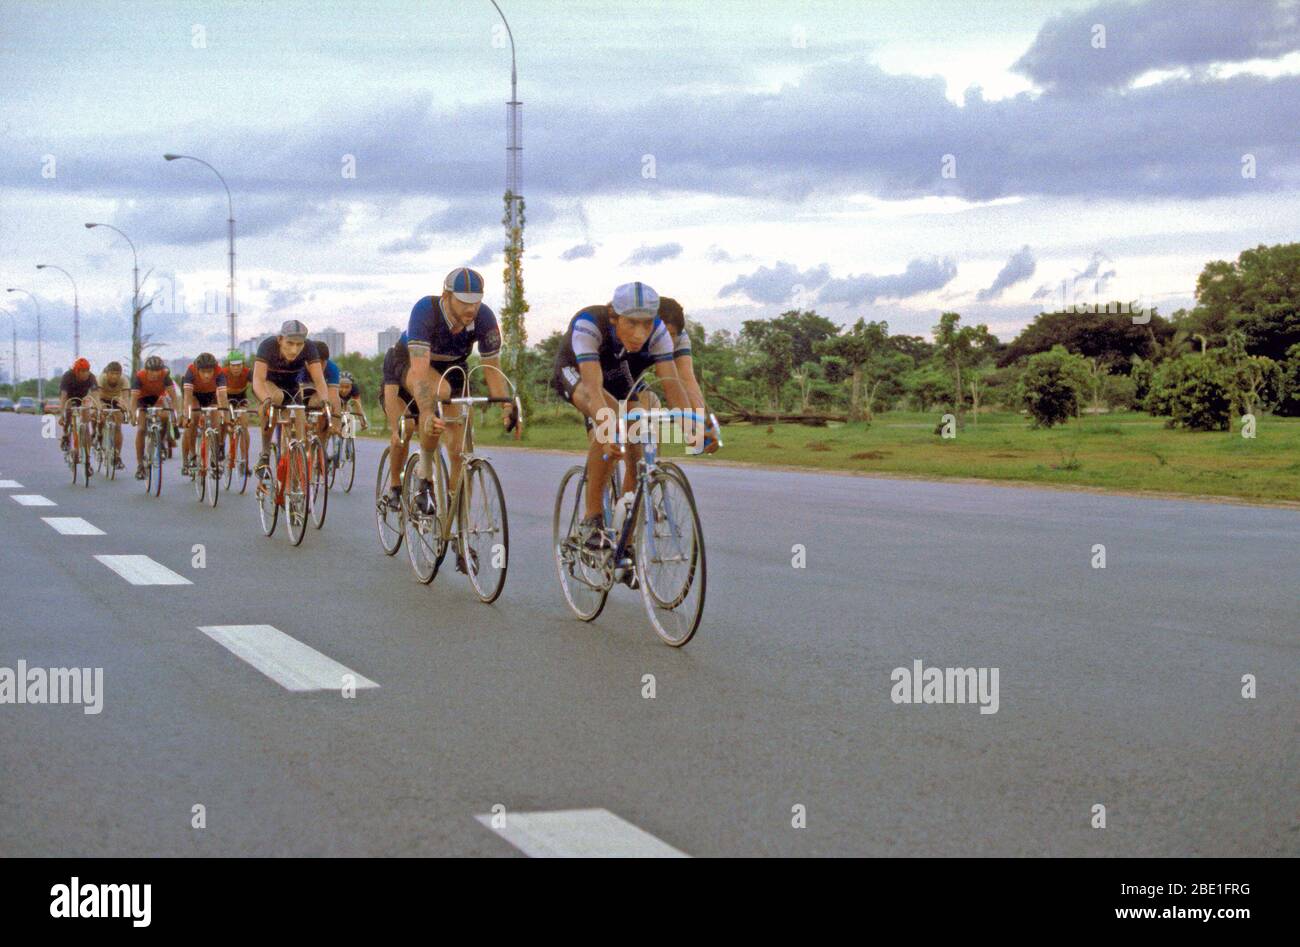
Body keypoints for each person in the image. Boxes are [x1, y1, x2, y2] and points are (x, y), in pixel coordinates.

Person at [551, 281, 701, 551]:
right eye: (631, 323)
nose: (639, 333)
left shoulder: (659, 333)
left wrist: (695, 427)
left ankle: (625, 540)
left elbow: (673, 384)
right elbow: (594, 389)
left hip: (617, 373)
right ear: (613, 316)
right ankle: (592, 518)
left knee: (639, 430)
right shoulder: (589, 324)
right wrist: (606, 429)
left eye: (646, 324)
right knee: (608, 419)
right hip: (578, 371)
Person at [405, 268, 514, 532]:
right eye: (464, 301)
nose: (471, 308)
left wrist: (506, 404)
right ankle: (425, 473)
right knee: (437, 400)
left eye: (475, 301)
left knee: (458, 450)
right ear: (446, 296)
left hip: (455, 369)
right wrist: (428, 412)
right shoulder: (425, 310)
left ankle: (456, 518)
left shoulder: (484, 316)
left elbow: (491, 368)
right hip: (416, 364)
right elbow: (420, 372)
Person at [251, 320, 331, 471]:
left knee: (300, 436)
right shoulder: (267, 346)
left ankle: (295, 478)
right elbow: (258, 380)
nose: (294, 350)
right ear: (280, 339)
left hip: (293, 389)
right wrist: (266, 400)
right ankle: (265, 452)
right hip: (269, 385)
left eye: (299, 345)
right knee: (277, 397)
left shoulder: (309, 348)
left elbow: (319, 381)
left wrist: (326, 401)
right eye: (290, 343)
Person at [130, 355, 181, 479]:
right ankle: (140, 465)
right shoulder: (139, 377)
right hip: (142, 400)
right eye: (152, 371)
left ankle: (160, 441)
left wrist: (175, 414)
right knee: (141, 429)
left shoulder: (165, 376)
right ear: (147, 370)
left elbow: (174, 397)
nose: (155, 373)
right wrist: (133, 414)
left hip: (157, 398)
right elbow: (133, 400)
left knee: (165, 416)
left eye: (158, 370)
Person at [180, 352, 229, 476]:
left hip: (211, 396)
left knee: (217, 424)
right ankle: (192, 455)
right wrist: (186, 416)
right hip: (195, 396)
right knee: (193, 418)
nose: (207, 375)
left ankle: (214, 458)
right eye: (203, 372)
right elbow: (187, 398)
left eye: (209, 371)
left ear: (214, 369)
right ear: (198, 370)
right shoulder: (190, 372)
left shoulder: (219, 372)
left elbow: (223, 396)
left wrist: (226, 415)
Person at [94, 361, 131, 470]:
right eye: (112, 373)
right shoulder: (101, 378)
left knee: (118, 425)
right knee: (102, 416)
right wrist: (101, 408)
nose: (114, 376)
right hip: (102, 399)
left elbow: (126, 399)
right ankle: (99, 435)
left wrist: (126, 410)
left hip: (115, 400)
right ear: (107, 373)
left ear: (120, 374)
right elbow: (97, 397)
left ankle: (117, 456)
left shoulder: (124, 380)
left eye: (117, 374)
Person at [58, 357, 98, 454]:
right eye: (82, 371)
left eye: (87, 371)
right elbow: (64, 396)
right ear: (76, 371)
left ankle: (87, 459)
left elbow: (95, 395)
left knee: (86, 422)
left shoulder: (91, 377)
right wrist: (61, 414)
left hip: (82, 398)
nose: (85, 374)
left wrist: (97, 409)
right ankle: (66, 433)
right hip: (69, 397)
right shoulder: (68, 376)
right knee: (68, 412)